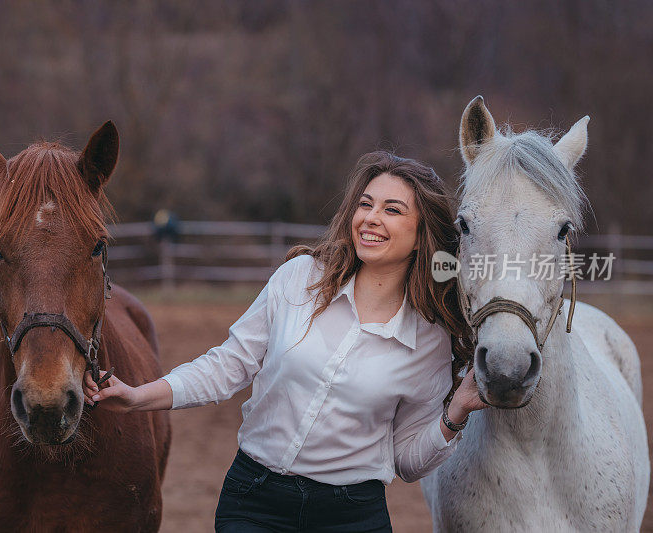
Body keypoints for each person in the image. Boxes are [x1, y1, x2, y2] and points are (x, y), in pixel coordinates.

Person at [84, 151, 489, 532]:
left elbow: (406, 461)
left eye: (392, 209)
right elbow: (228, 366)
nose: (371, 218)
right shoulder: (301, 278)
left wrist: (456, 411)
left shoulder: (430, 340)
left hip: (350, 516)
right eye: (365, 204)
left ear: (421, 236)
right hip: (255, 501)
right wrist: (138, 397)